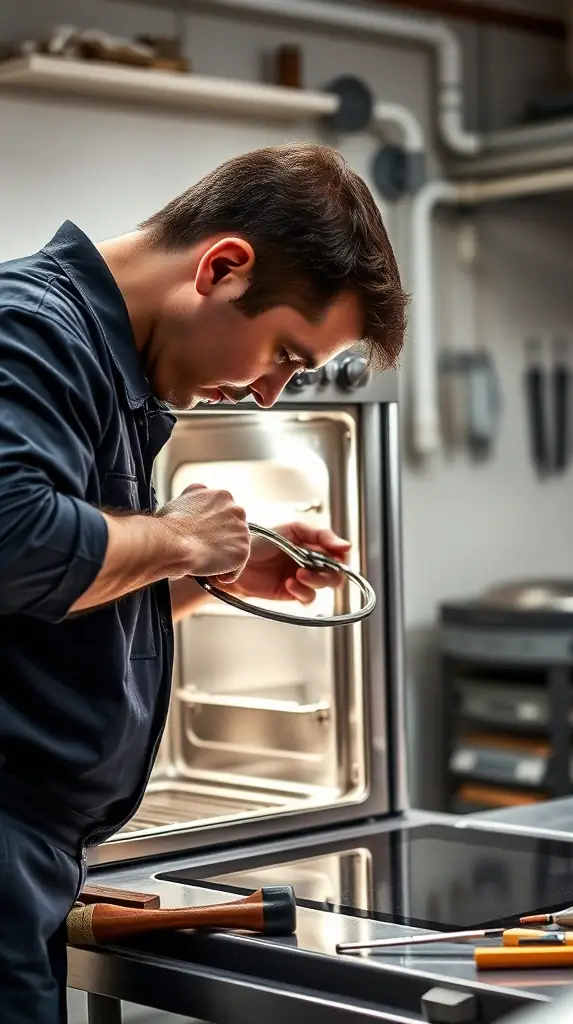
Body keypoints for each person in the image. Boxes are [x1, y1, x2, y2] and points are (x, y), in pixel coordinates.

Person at [0, 141, 408, 1022]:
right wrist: (182, 538)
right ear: (223, 268)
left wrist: (213, 572)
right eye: (285, 355)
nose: (268, 396)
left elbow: (43, 605)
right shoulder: (28, 327)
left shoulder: (115, 370)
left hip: (35, 858)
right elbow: (14, 542)